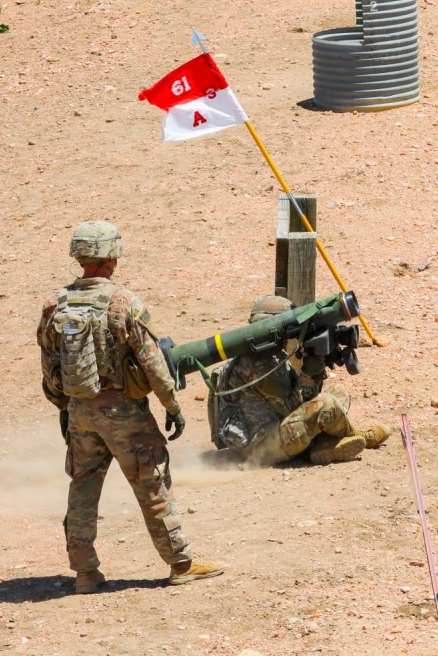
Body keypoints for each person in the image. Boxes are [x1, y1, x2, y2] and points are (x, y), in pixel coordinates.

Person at [37, 220, 224, 594]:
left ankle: (85, 573)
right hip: (126, 416)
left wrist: (65, 406)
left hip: (80, 413)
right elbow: (153, 362)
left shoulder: (55, 304)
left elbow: (48, 364)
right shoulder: (123, 303)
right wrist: (172, 405)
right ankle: (181, 563)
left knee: (83, 488)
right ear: (111, 257)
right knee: (151, 484)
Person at [205, 295, 393, 468]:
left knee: (337, 392)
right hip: (262, 448)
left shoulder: (270, 357)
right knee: (326, 405)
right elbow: (291, 407)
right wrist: (307, 375)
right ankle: (353, 436)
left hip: (277, 430)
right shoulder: (253, 366)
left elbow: (300, 400)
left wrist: (318, 368)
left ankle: (322, 446)